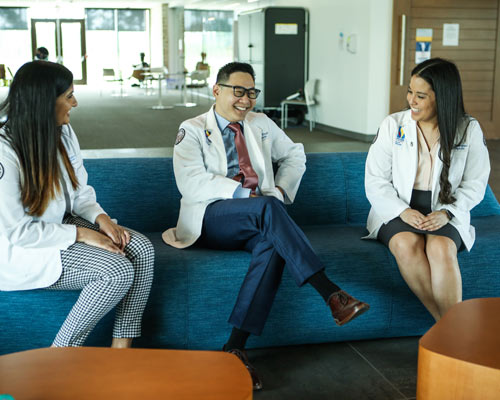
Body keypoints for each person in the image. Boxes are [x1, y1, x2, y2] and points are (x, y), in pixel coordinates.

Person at [162, 62, 369, 390]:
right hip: (212, 217)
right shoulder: (192, 128)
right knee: (267, 209)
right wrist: (244, 194)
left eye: (252, 93)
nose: (246, 100)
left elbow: (295, 155)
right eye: (238, 92)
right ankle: (330, 292)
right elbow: (190, 182)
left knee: (273, 242)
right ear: (217, 91)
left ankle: (234, 347)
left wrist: (282, 190)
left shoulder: (260, 123)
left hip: (259, 215)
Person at [0, 61, 155, 348]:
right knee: (117, 270)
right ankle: (60, 357)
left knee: (142, 249)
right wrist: (84, 234)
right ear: (45, 101)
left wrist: (101, 219)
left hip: (60, 223)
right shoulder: (4, 151)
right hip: (23, 247)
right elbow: (17, 232)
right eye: (69, 95)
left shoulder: (64, 131)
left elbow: (80, 191)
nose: (75, 102)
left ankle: (121, 354)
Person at [365, 58, 490, 322]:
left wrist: (448, 212)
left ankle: (447, 334)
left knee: (440, 249)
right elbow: (375, 180)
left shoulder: (468, 129)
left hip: (444, 209)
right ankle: (451, 330)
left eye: (420, 96)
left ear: (443, 97)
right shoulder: (393, 125)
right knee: (406, 243)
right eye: (410, 92)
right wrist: (402, 211)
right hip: (397, 208)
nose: (411, 100)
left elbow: (476, 182)